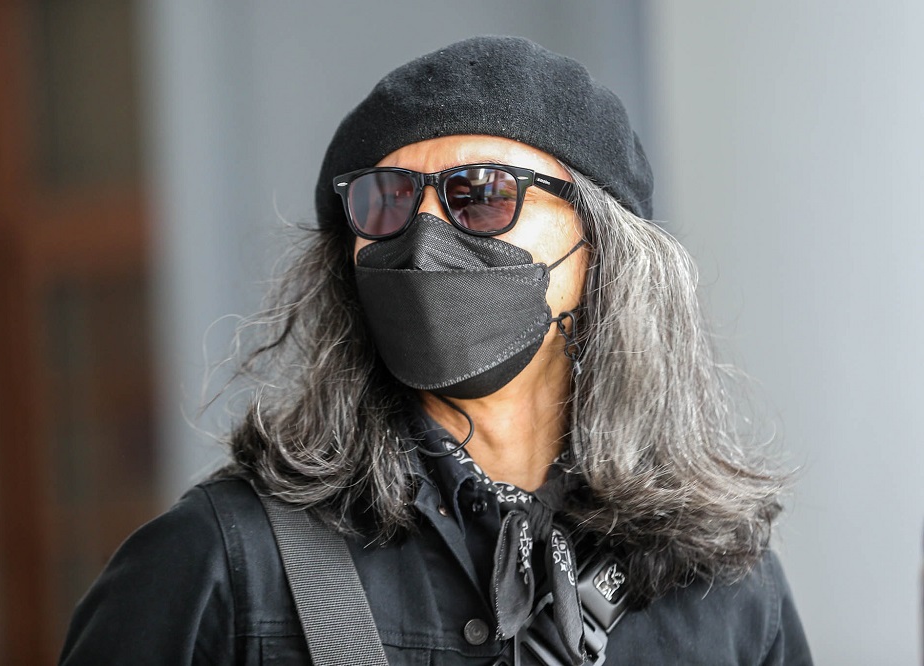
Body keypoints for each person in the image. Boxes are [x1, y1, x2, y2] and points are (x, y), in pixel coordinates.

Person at [59, 36, 812, 665]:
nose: (422, 240)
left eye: (479, 194)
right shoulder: (224, 562)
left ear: (601, 248)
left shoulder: (725, 592)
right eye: (386, 201)